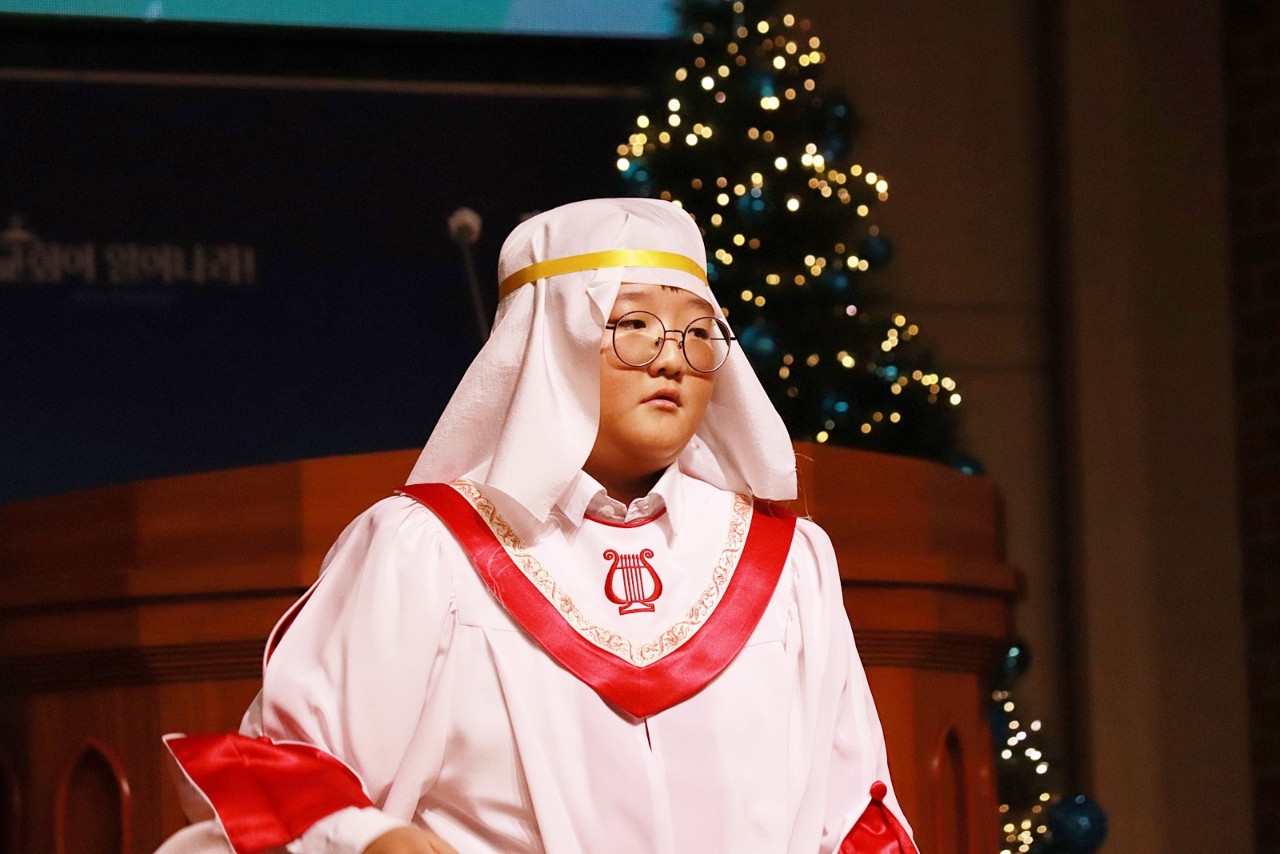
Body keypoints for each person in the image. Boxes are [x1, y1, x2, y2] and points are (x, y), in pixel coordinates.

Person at [157, 198, 918, 854]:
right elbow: (286, 770)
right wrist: (372, 839)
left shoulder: (785, 565)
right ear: (552, 341)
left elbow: (855, 811)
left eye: (696, 331)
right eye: (634, 325)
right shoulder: (432, 554)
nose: (673, 361)